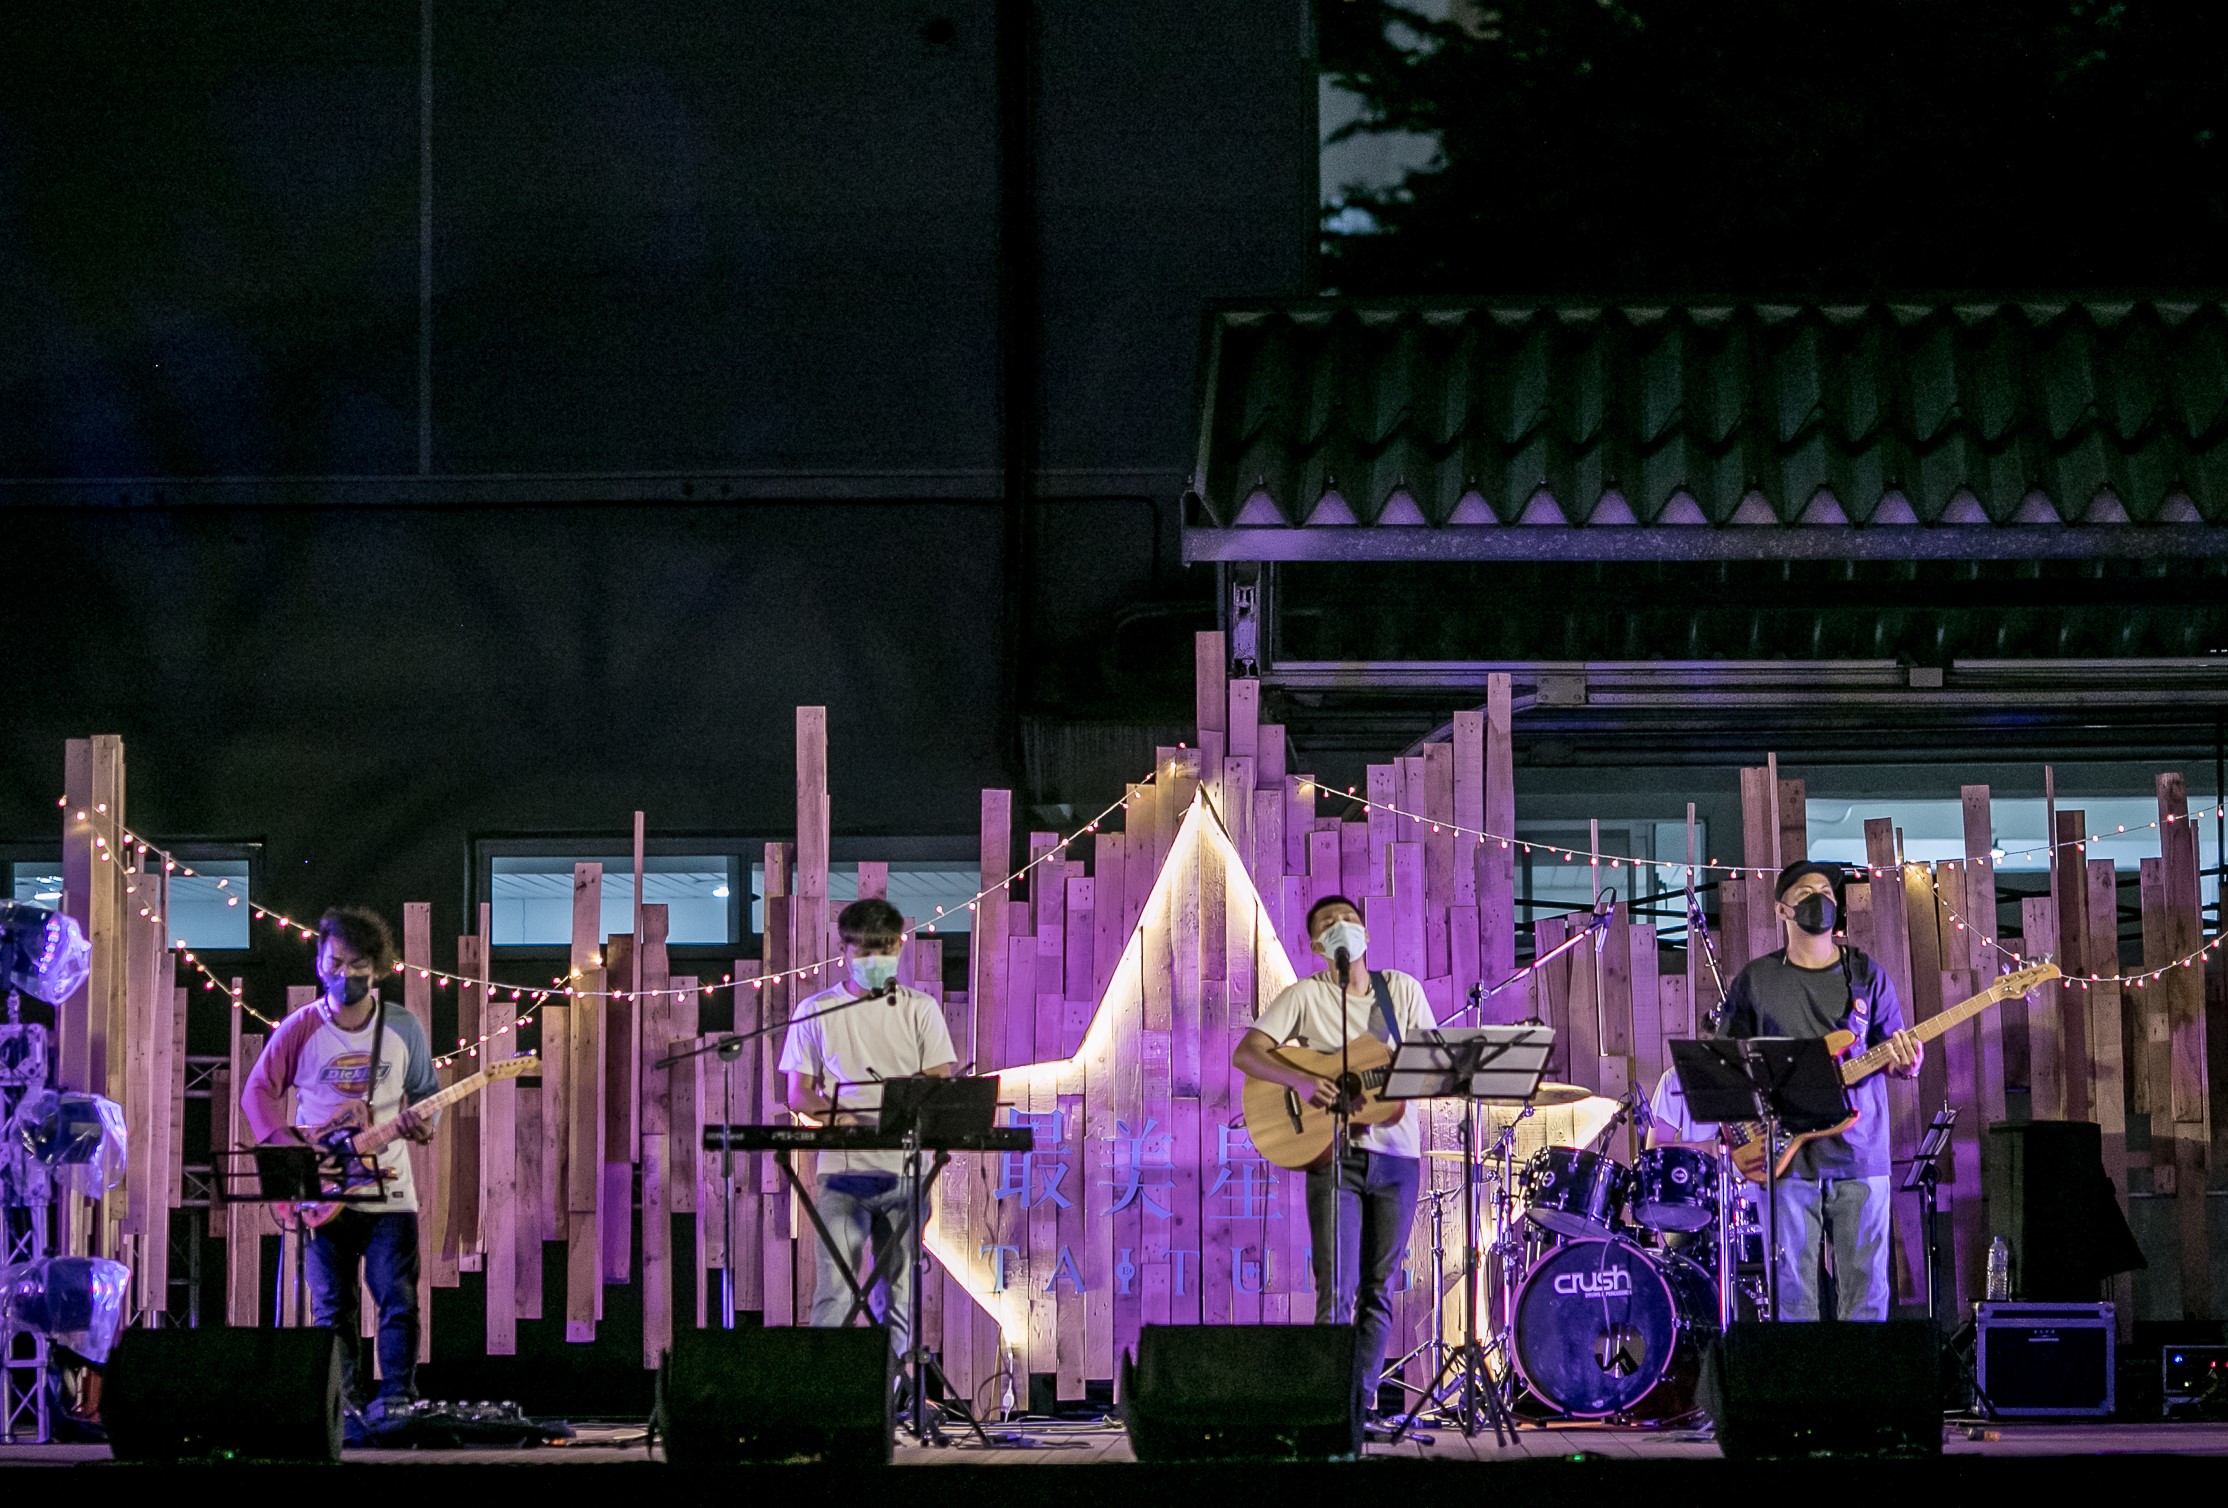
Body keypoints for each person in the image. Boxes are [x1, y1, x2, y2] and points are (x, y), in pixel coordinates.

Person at [1232, 895, 1436, 1425]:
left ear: (1365, 931)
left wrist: (1426, 1073)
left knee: (1379, 1287)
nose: (1341, 927)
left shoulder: (1403, 991)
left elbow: (1428, 1066)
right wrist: (1302, 1079)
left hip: (1398, 1158)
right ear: (1315, 944)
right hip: (1333, 1157)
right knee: (1336, 1289)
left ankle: (1360, 1404)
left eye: (1348, 920)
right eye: (1328, 924)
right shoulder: (1304, 995)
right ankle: (1327, 1408)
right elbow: (1247, 1053)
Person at [241, 906, 438, 1422]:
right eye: (334, 962)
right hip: (323, 1194)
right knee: (332, 1307)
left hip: (391, 1189)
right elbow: (258, 1093)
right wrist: (294, 1153)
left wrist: (424, 1127)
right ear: (319, 962)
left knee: (398, 1299)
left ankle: (397, 1398)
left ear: (378, 967)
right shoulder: (300, 1027)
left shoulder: (403, 1028)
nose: (344, 974)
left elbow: (425, 1097)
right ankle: (342, 1404)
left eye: (356, 965)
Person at [1717, 860, 1922, 1321]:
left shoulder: (1866, 975)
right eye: (1807, 891)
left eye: (1828, 892)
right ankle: (1800, 1395)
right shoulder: (1756, 980)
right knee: (1792, 1298)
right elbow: (1725, 1066)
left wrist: (1909, 1063)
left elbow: (1897, 1053)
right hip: (1787, 1160)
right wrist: (1748, 1132)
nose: (1821, 899)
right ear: (1782, 910)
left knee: (1867, 1295)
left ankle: (1861, 1393)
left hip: (1861, 1152)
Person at [780, 896, 956, 1357]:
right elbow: (798, 1094)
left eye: (884, 950)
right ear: (844, 952)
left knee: (899, 1293)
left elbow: (939, 1083)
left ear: (900, 946)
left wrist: (897, 1112)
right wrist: (847, 1120)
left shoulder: (921, 1009)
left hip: (905, 1173)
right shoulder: (815, 1010)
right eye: (863, 951)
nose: (874, 961)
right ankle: (827, 1400)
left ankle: (892, 1396)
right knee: (835, 1291)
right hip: (842, 1172)